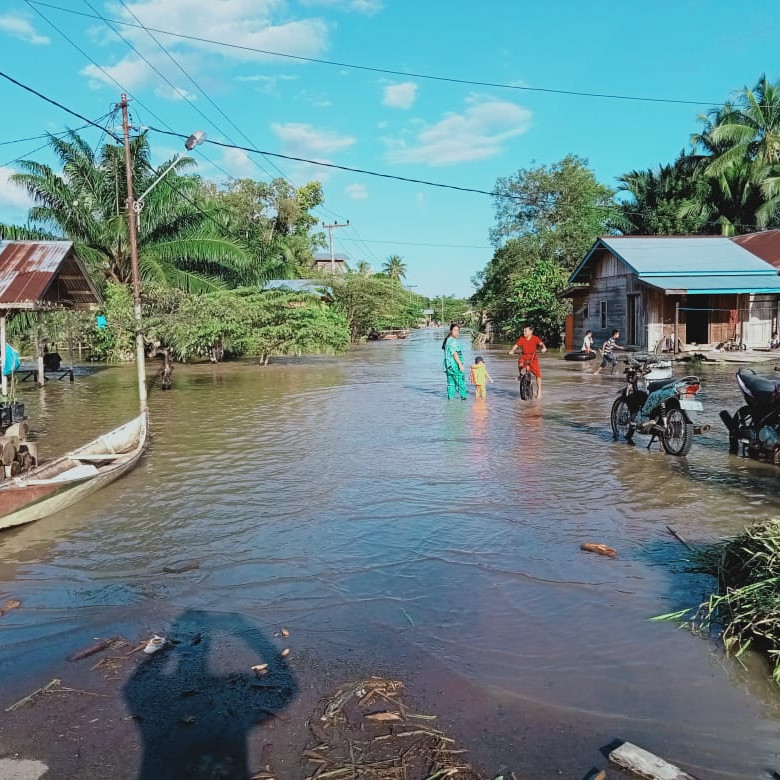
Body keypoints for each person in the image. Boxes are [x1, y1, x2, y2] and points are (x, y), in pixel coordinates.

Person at [508, 325, 547, 398]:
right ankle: (521, 375)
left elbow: (541, 344)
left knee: (538, 375)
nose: (524, 332)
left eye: (525, 331)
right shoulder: (522, 339)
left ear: (531, 332)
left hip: (533, 358)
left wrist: (544, 348)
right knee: (520, 364)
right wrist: (512, 351)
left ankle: (539, 392)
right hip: (524, 357)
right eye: (523, 330)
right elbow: (516, 345)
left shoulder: (535, 338)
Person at [442, 323, 468, 400]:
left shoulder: (447, 340)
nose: (457, 332)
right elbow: (454, 354)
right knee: (461, 384)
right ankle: (464, 401)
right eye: (455, 330)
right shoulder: (453, 341)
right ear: (450, 331)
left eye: (458, 331)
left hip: (448, 367)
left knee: (451, 384)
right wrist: (460, 364)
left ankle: (450, 402)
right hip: (455, 366)